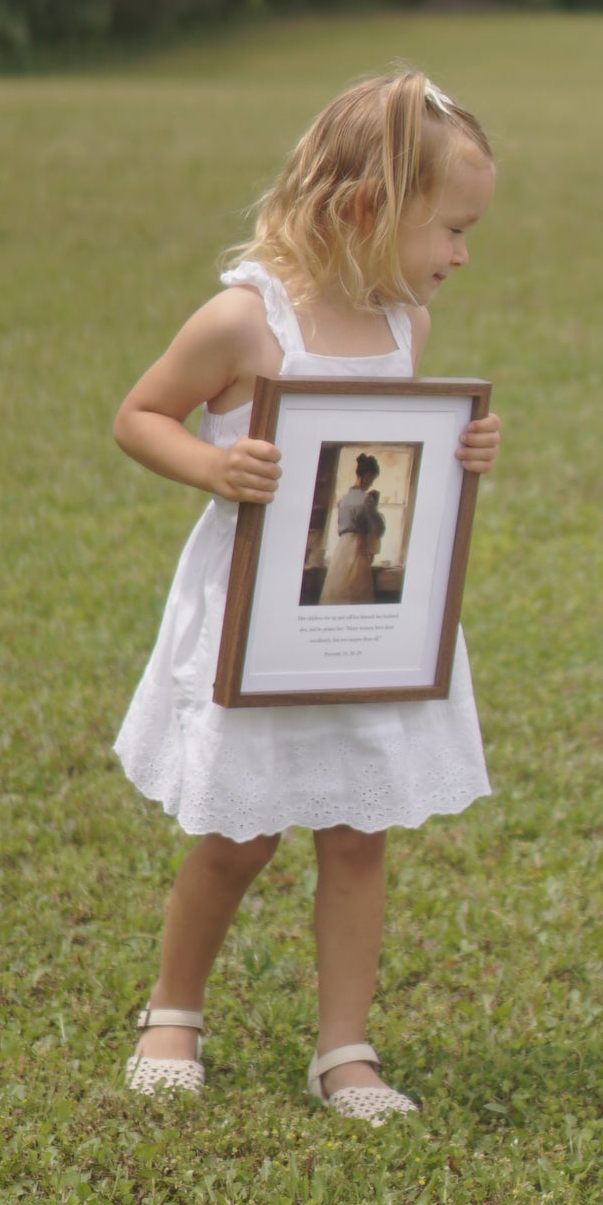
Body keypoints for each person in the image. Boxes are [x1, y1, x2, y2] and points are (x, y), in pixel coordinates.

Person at [112, 69, 501, 1121]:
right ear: (371, 207)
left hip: (363, 617)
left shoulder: (401, 324)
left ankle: (345, 1048)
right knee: (238, 836)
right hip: (255, 618)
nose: (461, 255)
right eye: (452, 229)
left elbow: (386, 454)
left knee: (356, 829)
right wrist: (210, 466)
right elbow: (141, 414)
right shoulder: (246, 318)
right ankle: (172, 1009)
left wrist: (459, 451)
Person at [322, 455, 385, 604]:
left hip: (341, 550)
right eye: (372, 479)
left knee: (337, 592)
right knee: (356, 594)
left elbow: (340, 527)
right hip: (356, 548)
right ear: (368, 476)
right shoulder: (366, 499)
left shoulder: (343, 500)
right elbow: (379, 528)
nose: (371, 483)